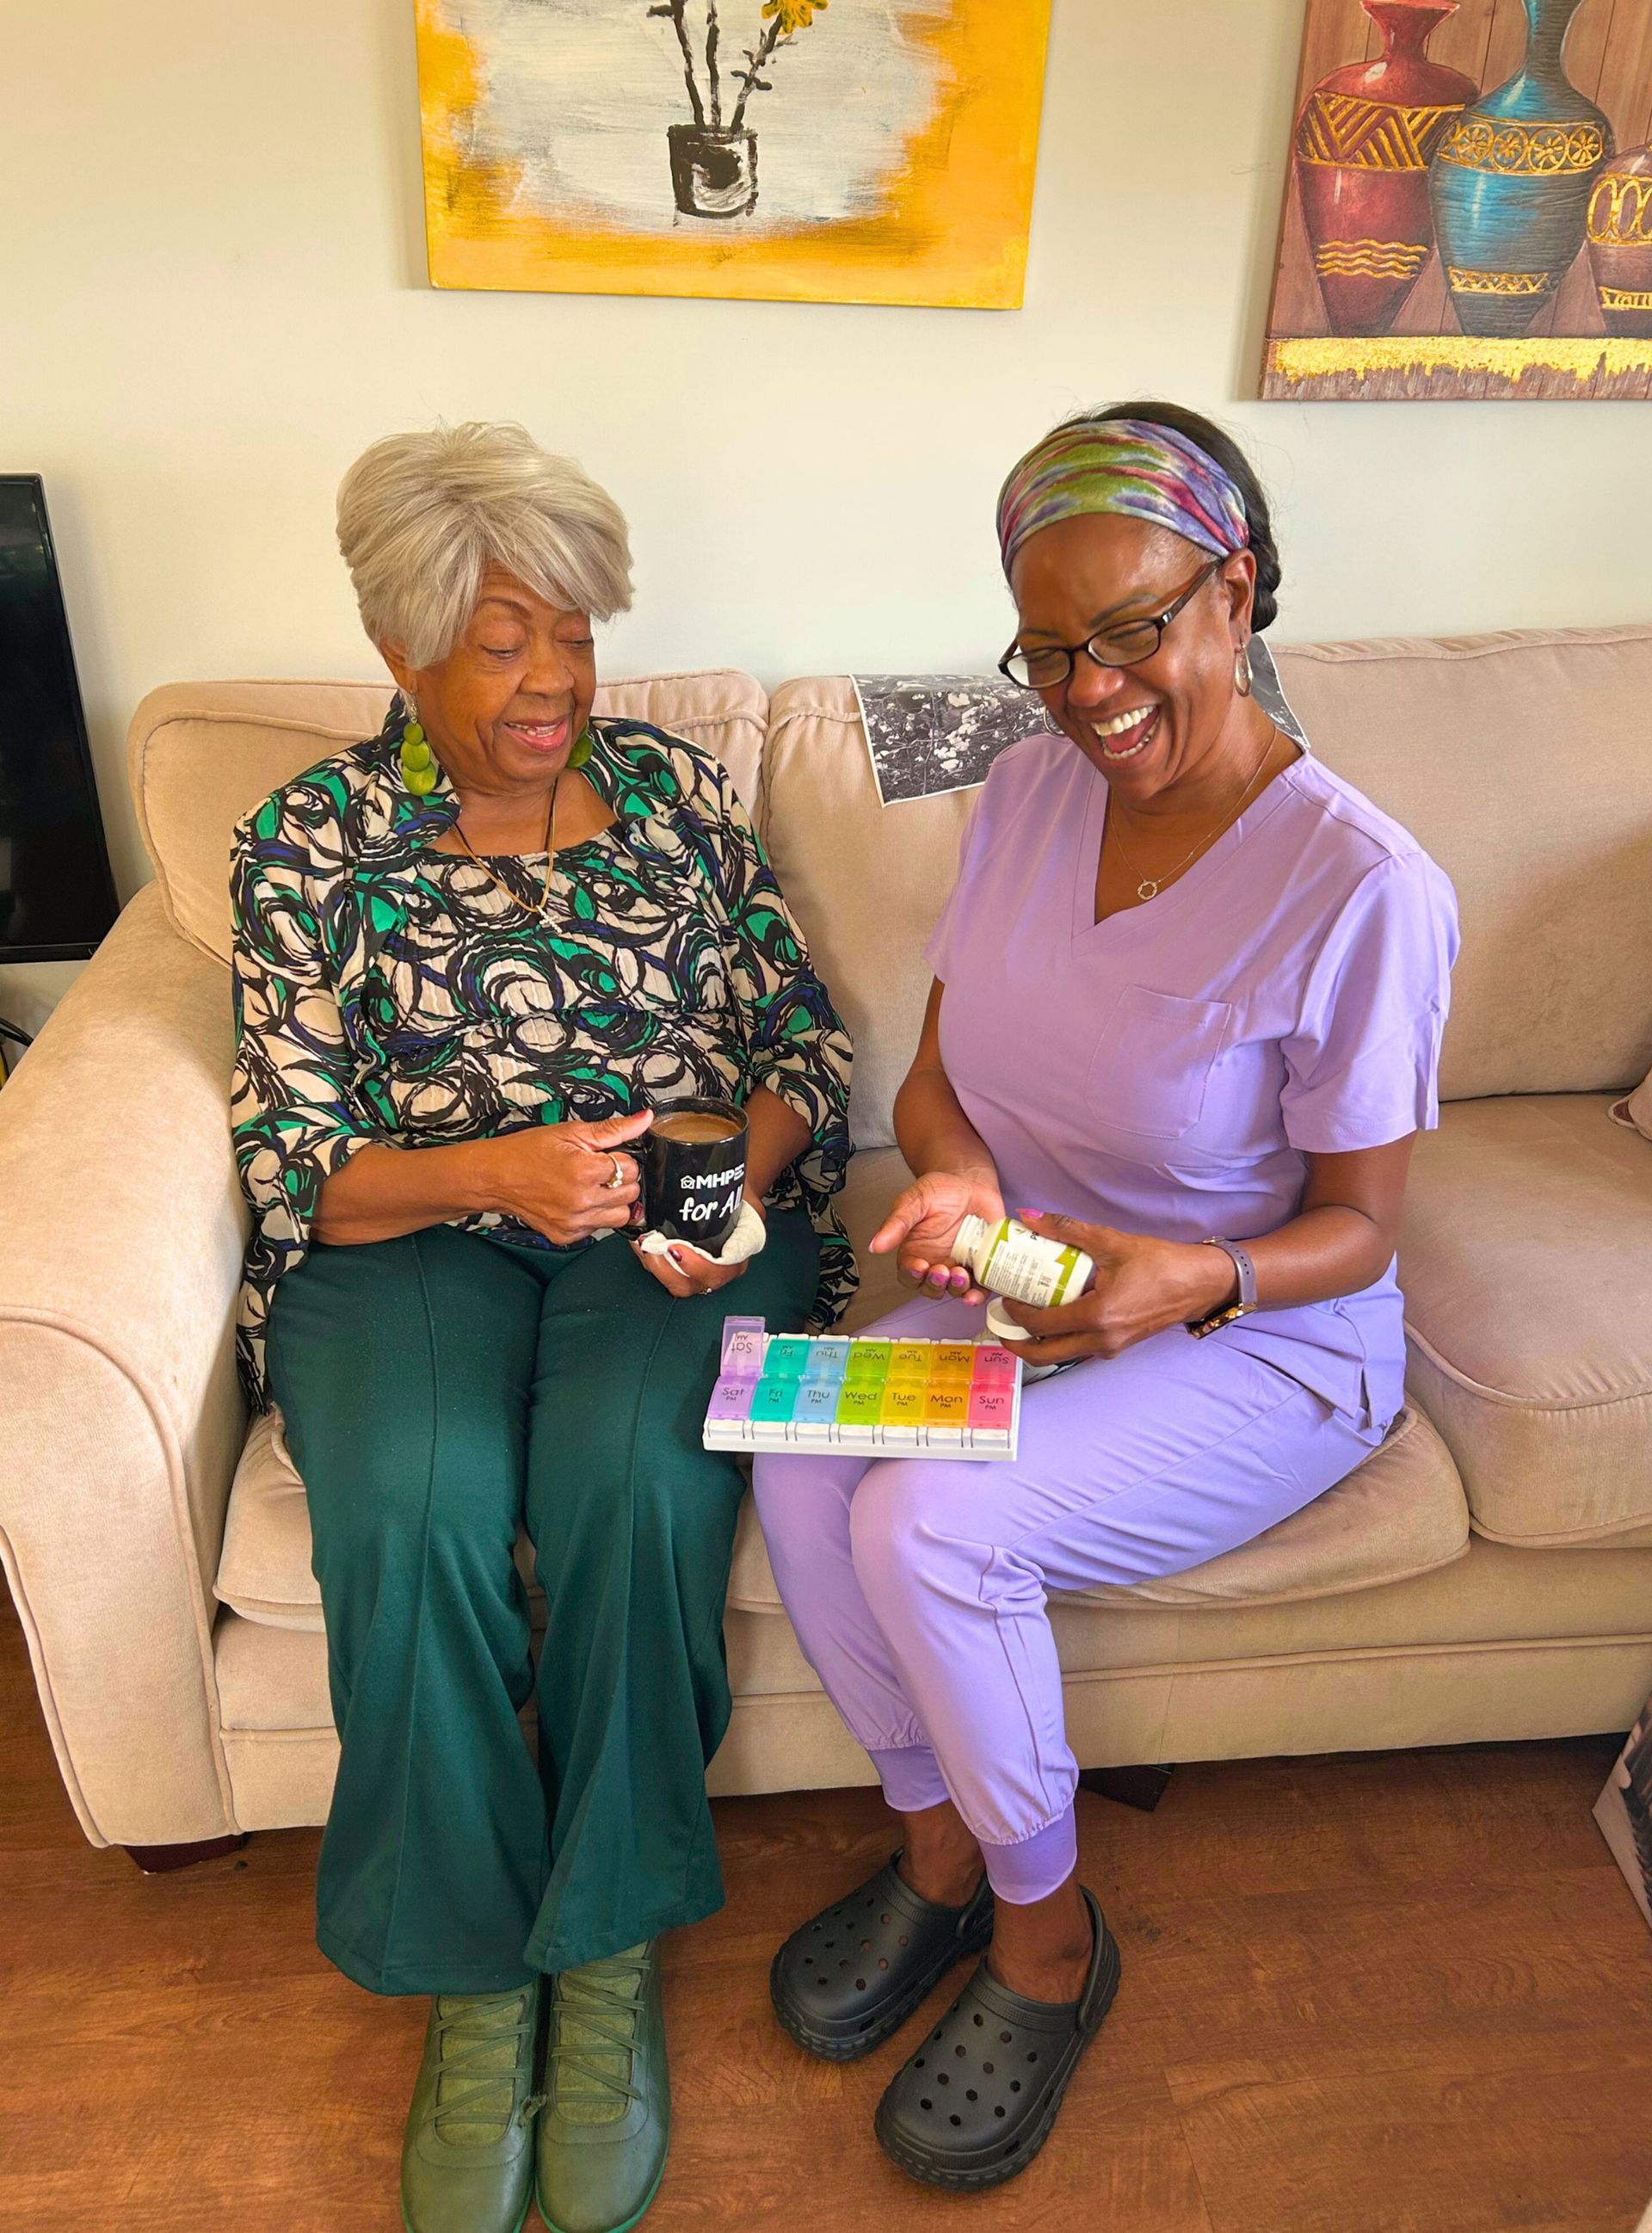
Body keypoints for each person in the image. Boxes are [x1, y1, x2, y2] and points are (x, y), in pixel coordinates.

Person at [753, 404, 1458, 2191]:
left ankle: (1047, 1935)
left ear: (1233, 589)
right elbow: (936, 1080)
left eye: (1134, 626)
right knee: (794, 1452)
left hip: (1263, 1334)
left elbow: (1365, 1228)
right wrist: (960, 1179)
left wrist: (1191, 1277)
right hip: (1036, 1284)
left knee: (926, 1525)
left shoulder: (1360, 884)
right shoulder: (1022, 791)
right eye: (1050, 644)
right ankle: (931, 1846)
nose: (1089, 687)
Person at [229, 422, 853, 2233]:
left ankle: (608, 1952)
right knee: (409, 1504)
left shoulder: (671, 797)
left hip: (658, 1238)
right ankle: (473, 1973)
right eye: (505, 640)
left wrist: (727, 1176)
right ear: (401, 648)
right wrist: (489, 1169)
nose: (556, 679)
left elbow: (804, 1048)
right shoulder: (313, 842)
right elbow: (293, 1155)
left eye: (573, 632)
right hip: (411, 1234)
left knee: (636, 1487)